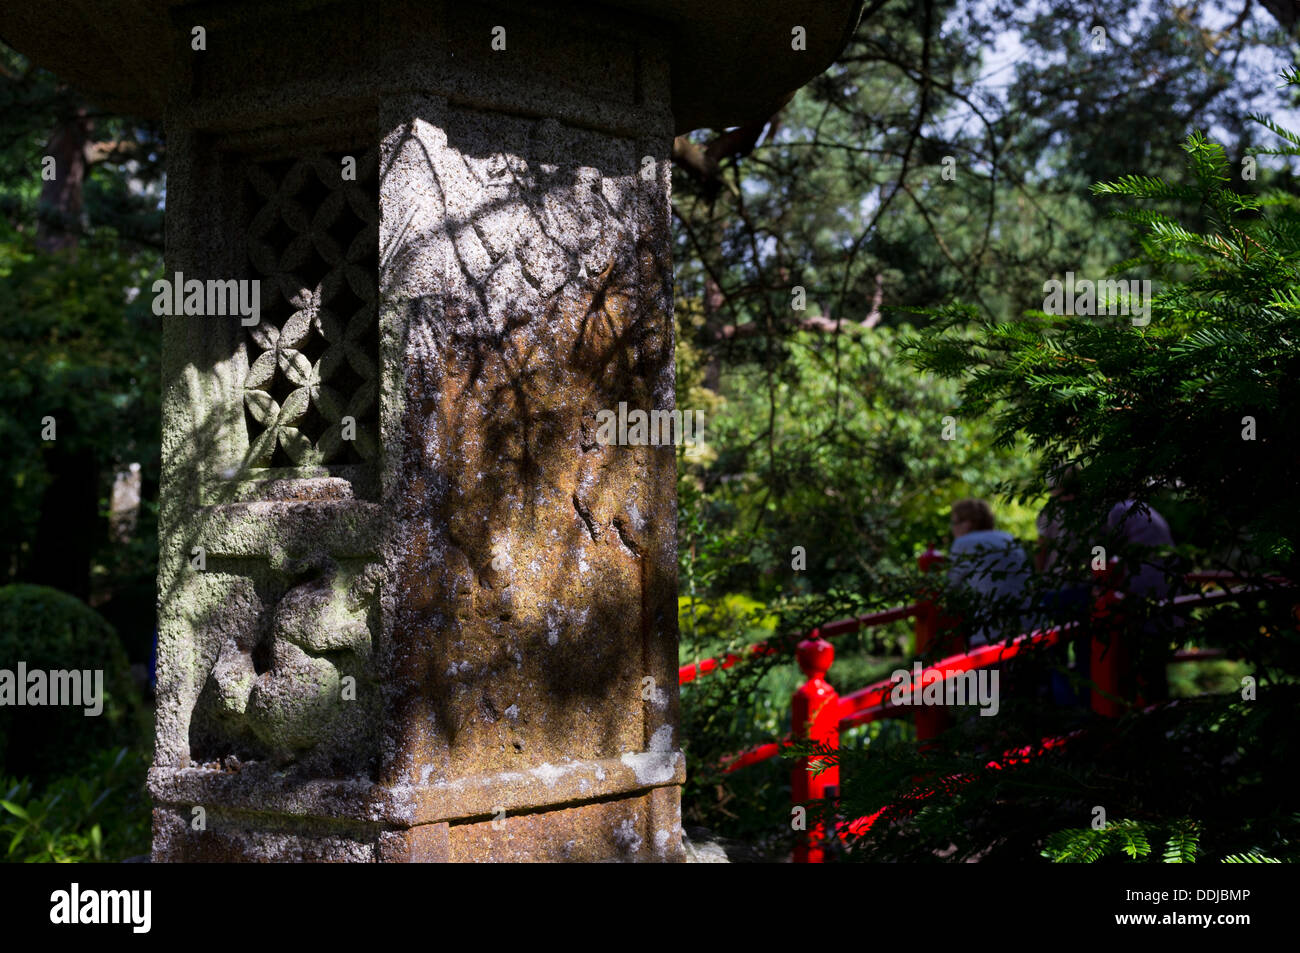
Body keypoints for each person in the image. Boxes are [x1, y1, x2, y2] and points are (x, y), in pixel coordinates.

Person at [947, 498, 1032, 646]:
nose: (952, 528)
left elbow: (950, 587)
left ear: (967, 524)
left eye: (954, 522)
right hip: (1030, 624)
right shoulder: (1007, 537)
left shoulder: (963, 543)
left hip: (991, 632)